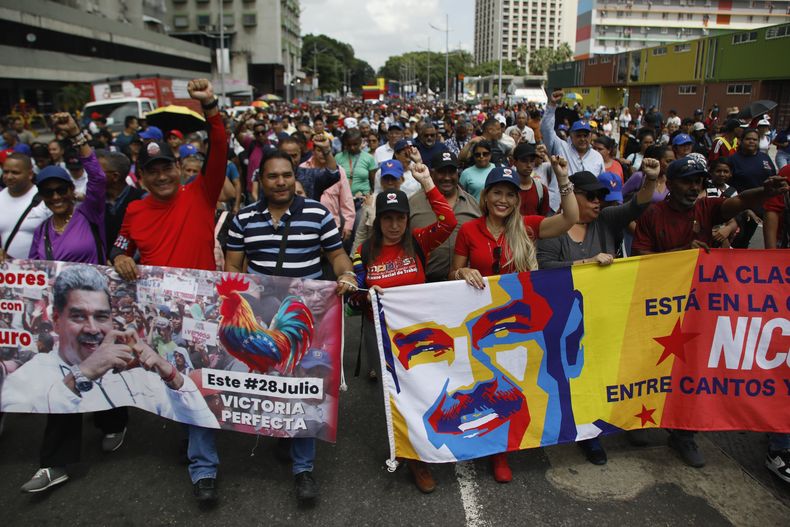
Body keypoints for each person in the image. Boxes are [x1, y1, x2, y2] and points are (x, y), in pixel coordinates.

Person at [109, 79, 226, 503]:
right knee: (179, 384)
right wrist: (120, 257)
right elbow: (121, 245)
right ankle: (196, 441)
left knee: (197, 382)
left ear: (179, 170)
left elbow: (220, 146)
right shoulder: (135, 210)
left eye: (167, 168)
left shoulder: (202, 194)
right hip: (161, 320)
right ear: (142, 177)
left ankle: (203, 469)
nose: (161, 176)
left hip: (204, 313)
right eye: (152, 171)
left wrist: (209, 106)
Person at [1, 266, 218, 491]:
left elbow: (196, 407)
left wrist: (167, 371)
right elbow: (32, 398)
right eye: (78, 316)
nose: (92, 328)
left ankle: (113, 424)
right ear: (57, 319)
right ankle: (55, 464)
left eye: (101, 316)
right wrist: (80, 374)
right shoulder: (31, 371)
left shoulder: (133, 364)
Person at [224, 148, 355, 503]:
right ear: (260, 180)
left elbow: (336, 255)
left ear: (294, 177)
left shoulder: (317, 214)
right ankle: (281, 436)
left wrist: (347, 273)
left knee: (302, 387)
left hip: (304, 315)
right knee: (267, 385)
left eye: (286, 175)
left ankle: (304, 469)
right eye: (272, 176)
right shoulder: (244, 219)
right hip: (260, 317)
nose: (280, 182)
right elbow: (233, 266)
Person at [450, 157, 579, 483]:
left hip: (516, 324)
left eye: (510, 194)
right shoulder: (468, 230)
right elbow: (453, 271)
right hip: (478, 320)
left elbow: (570, 218)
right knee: (481, 384)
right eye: (497, 193)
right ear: (486, 196)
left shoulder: (530, 226)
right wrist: (463, 271)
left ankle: (500, 452)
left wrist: (562, 177)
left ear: (516, 200)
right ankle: (484, 443)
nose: (503, 200)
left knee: (512, 386)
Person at [349, 162, 457, 493]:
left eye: (400, 218)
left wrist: (427, 182)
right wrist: (367, 293)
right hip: (381, 338)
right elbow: (353, 299)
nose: (394, 225)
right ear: (378, 220)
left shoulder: (419, 242)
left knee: (427, 393)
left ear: (408, 219)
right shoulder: (365, 251)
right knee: (398, 399)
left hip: (419, 334)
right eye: (387, 218)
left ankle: (430, 445)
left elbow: (448, 221)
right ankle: (415, 461)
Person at [409, 151, 481, 283]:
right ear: (432, 173)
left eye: (451, 172)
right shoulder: (413, 204)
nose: (447, 177)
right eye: (442, 172)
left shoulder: (473, 205)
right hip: (426, 284)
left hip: (466, 283)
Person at [0, 153, 51, 260]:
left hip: (40, 271)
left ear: (30, 174)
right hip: (8, 273)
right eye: (5, 172)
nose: (9, 177)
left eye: (15, 172)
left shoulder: (45, 198)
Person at [541, 90, 604, 176]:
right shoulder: (561, 148)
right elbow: (546, 130)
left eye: (585, 136)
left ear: (590, 136)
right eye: (578, 135)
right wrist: (552, 105)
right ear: (571, 135)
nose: (582, 139)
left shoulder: (597, 157)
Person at [96, 150, 144, 259]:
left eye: (98, 172)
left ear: (115, 176)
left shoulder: (141, 200)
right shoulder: (95, 203)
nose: (93, 176)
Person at [728, 128, 777, 193]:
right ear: (740, 141)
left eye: (755, 139)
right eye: (748, 139)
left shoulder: (765, 157)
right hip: (742, 199)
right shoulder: (733, 159)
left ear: (758, 142)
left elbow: (773, 176)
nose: (751, 141)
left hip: (765, 198)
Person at [335, 128, 377, 197]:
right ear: (345, 143)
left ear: (360, 141)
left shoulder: (369, 158)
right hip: (343, 198)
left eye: (355, 144)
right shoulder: (338, 157)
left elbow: (373, 182)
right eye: (349, 145)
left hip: (363, 198)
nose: (352, 147)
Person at [511, 143, 550, 216]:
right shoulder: (508, 187)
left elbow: (543, 218)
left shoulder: (541, 189)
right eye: (524, 161)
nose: (529, 165)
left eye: (532, 161)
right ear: (515, 162)